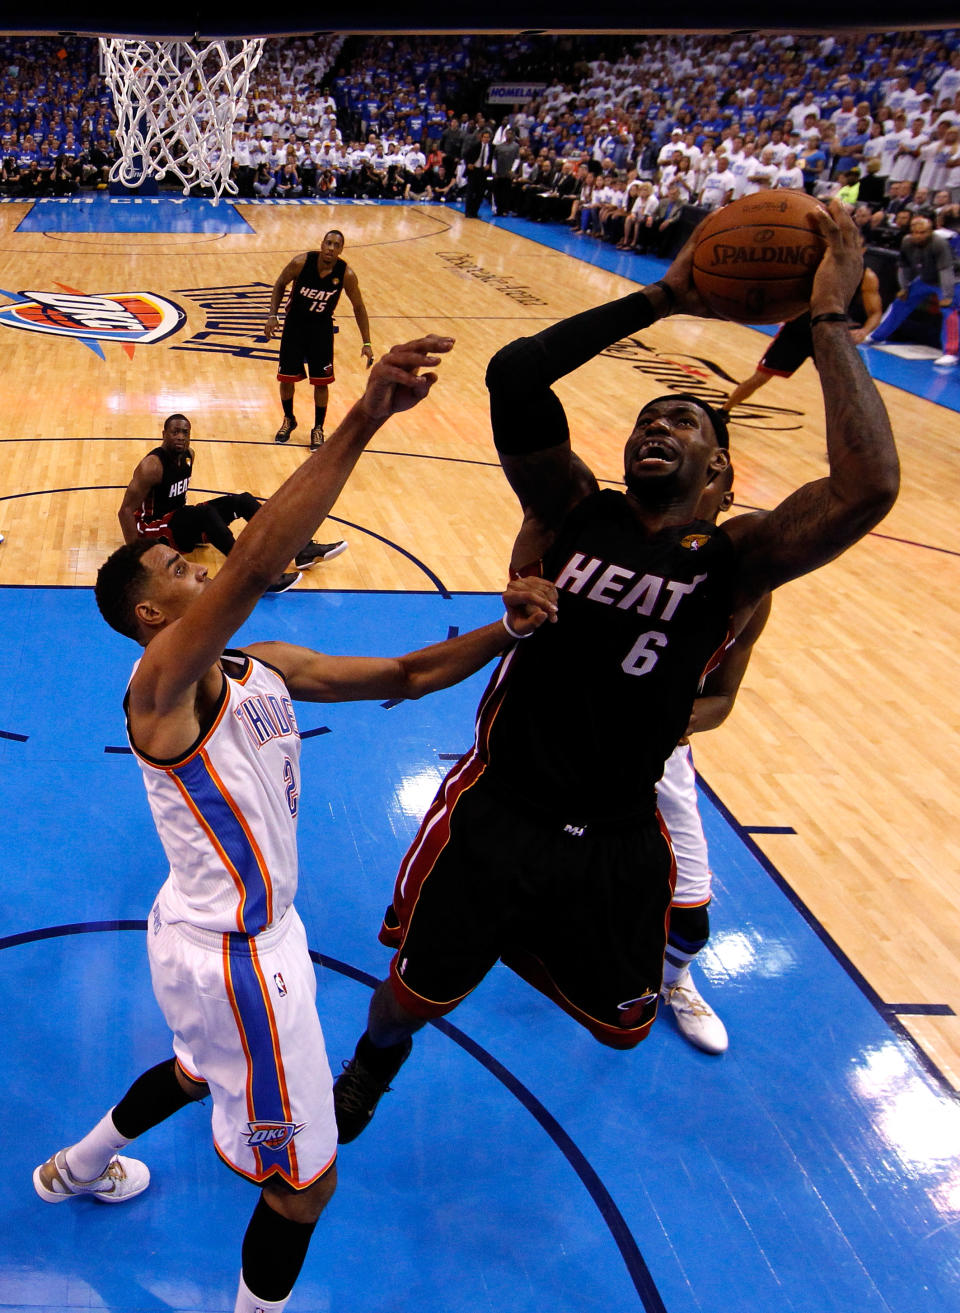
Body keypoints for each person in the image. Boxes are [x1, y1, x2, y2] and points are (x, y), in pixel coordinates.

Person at [331, 202, 899, 1143]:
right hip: (500, 805)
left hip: (617, 831)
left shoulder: (740, 563)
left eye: (684, 422)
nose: (658, 427)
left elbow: (867, 486)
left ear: (722, 473)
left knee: (623, 1030)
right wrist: (666, 295)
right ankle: (368, 1071)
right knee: (406, 1000)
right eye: (647, 418)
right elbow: (517, 373)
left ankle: (510, 941)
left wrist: (829, 320)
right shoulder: (572, 510)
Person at [33, 335, 558, 1313]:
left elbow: (404, 675)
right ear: (152, 614)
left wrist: (509, 631)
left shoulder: (261, 663)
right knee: (306, 1183)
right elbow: (260, 556)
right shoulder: (159, 688)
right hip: (240, 955)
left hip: (198, 931)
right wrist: (361, 417)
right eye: (178, 568)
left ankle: (74, 1164)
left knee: (195, 1071)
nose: (199, 564)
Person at [656, 462, 772, 1054]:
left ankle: (674, 979)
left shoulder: (749, 588)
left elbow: (721, 699)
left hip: (657, 755)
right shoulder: (614, 544)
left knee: (692, 915)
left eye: (721, 470)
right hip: (569, 740)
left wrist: (664, 719)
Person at [117, 414, 347, 594]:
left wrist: (197, 528)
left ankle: (302, 550)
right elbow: (125, 511)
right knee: (204, 513)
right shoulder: (152, 466)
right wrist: (136, 555)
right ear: (164, 434)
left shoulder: (189, 455)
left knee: (242, 500)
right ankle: (252, 575)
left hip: (179, 523)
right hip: (153, 529)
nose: (180, 436)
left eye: (185, 432)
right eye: (175, 432)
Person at [720, 256, 883, 413]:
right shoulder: (816, 264)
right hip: (798, 330)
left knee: (843, 388)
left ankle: (856, 434)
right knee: (760, 377)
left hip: (829, 335)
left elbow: (875, 312)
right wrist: (783, 310)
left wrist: (864, 331)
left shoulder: (866, 276)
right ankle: (724, 411)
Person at [265, 229, 373, 449]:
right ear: (322, 244)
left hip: (321, 330)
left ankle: (318, 428)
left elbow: (359, 307)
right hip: (294, 326)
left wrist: (367, 342)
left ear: (341, 250)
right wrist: (272, 315)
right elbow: (279, 284)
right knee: (286, 377)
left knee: (321, 383)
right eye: (328, 243)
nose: (331, 248)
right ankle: (288, 419)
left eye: (336, 245)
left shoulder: (346, 274)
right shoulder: (301, 262)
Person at [863, 212, 960, 366]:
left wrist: (948, 296)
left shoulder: (938, 243)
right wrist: (905, 287)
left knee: (950, 310)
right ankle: (877, 335)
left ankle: (951, 353)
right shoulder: (907, 242)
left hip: (951, 280)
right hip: (926, 278)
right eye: (915, 232)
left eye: (923, 233)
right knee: (901, 301)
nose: (918, 236)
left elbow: (946, 270)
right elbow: (904, 267)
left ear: (930, 232)